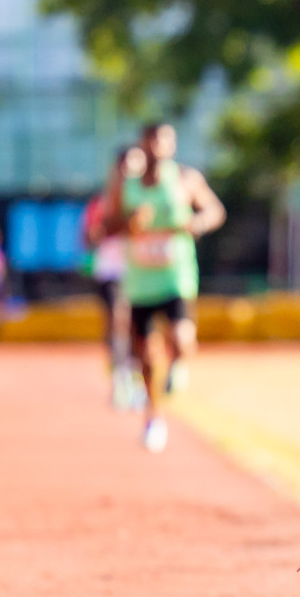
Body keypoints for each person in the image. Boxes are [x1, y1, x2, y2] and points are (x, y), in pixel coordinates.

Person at [102, 122, 225, 452]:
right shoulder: (125, 184)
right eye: (151, 139)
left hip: (176, 277)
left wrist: (196, 222)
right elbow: (105, 225)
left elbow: (215, 210)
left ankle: (178, 364)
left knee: (183, 341)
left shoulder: (186, 179)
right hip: (141, 282)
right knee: (144, 356)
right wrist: (127, 223)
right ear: (142, 143)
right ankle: (153, 418)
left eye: (164, 139)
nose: (157, 145)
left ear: (172, 145)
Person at [84, 147, 141, 409]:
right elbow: (88, 238)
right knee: (118, 321)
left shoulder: (148, 198)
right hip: (112, 271)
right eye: (127, 165)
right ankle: (120, 380)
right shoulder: (103, 201)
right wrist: (110, 229)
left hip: (144, 271)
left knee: (140, 328)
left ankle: (138, 377)